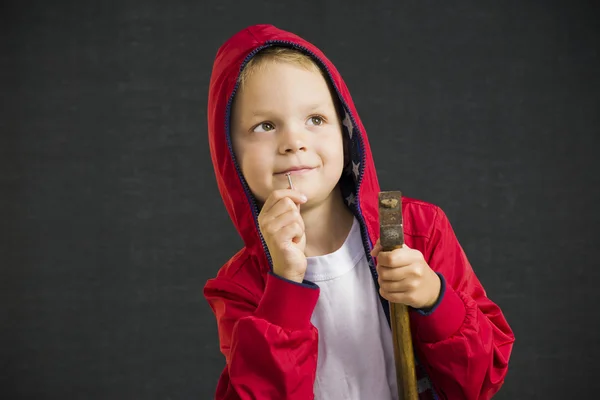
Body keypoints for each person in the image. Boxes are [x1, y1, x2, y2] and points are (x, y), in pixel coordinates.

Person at [204, 24, 514, 400]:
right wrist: (284, 283)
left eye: (315, 120)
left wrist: (434, 297)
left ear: (346, 131)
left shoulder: (417, 231)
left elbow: (480, 381)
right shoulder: (240, 284)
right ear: (230, 155)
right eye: (265, 125)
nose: (294, 142)